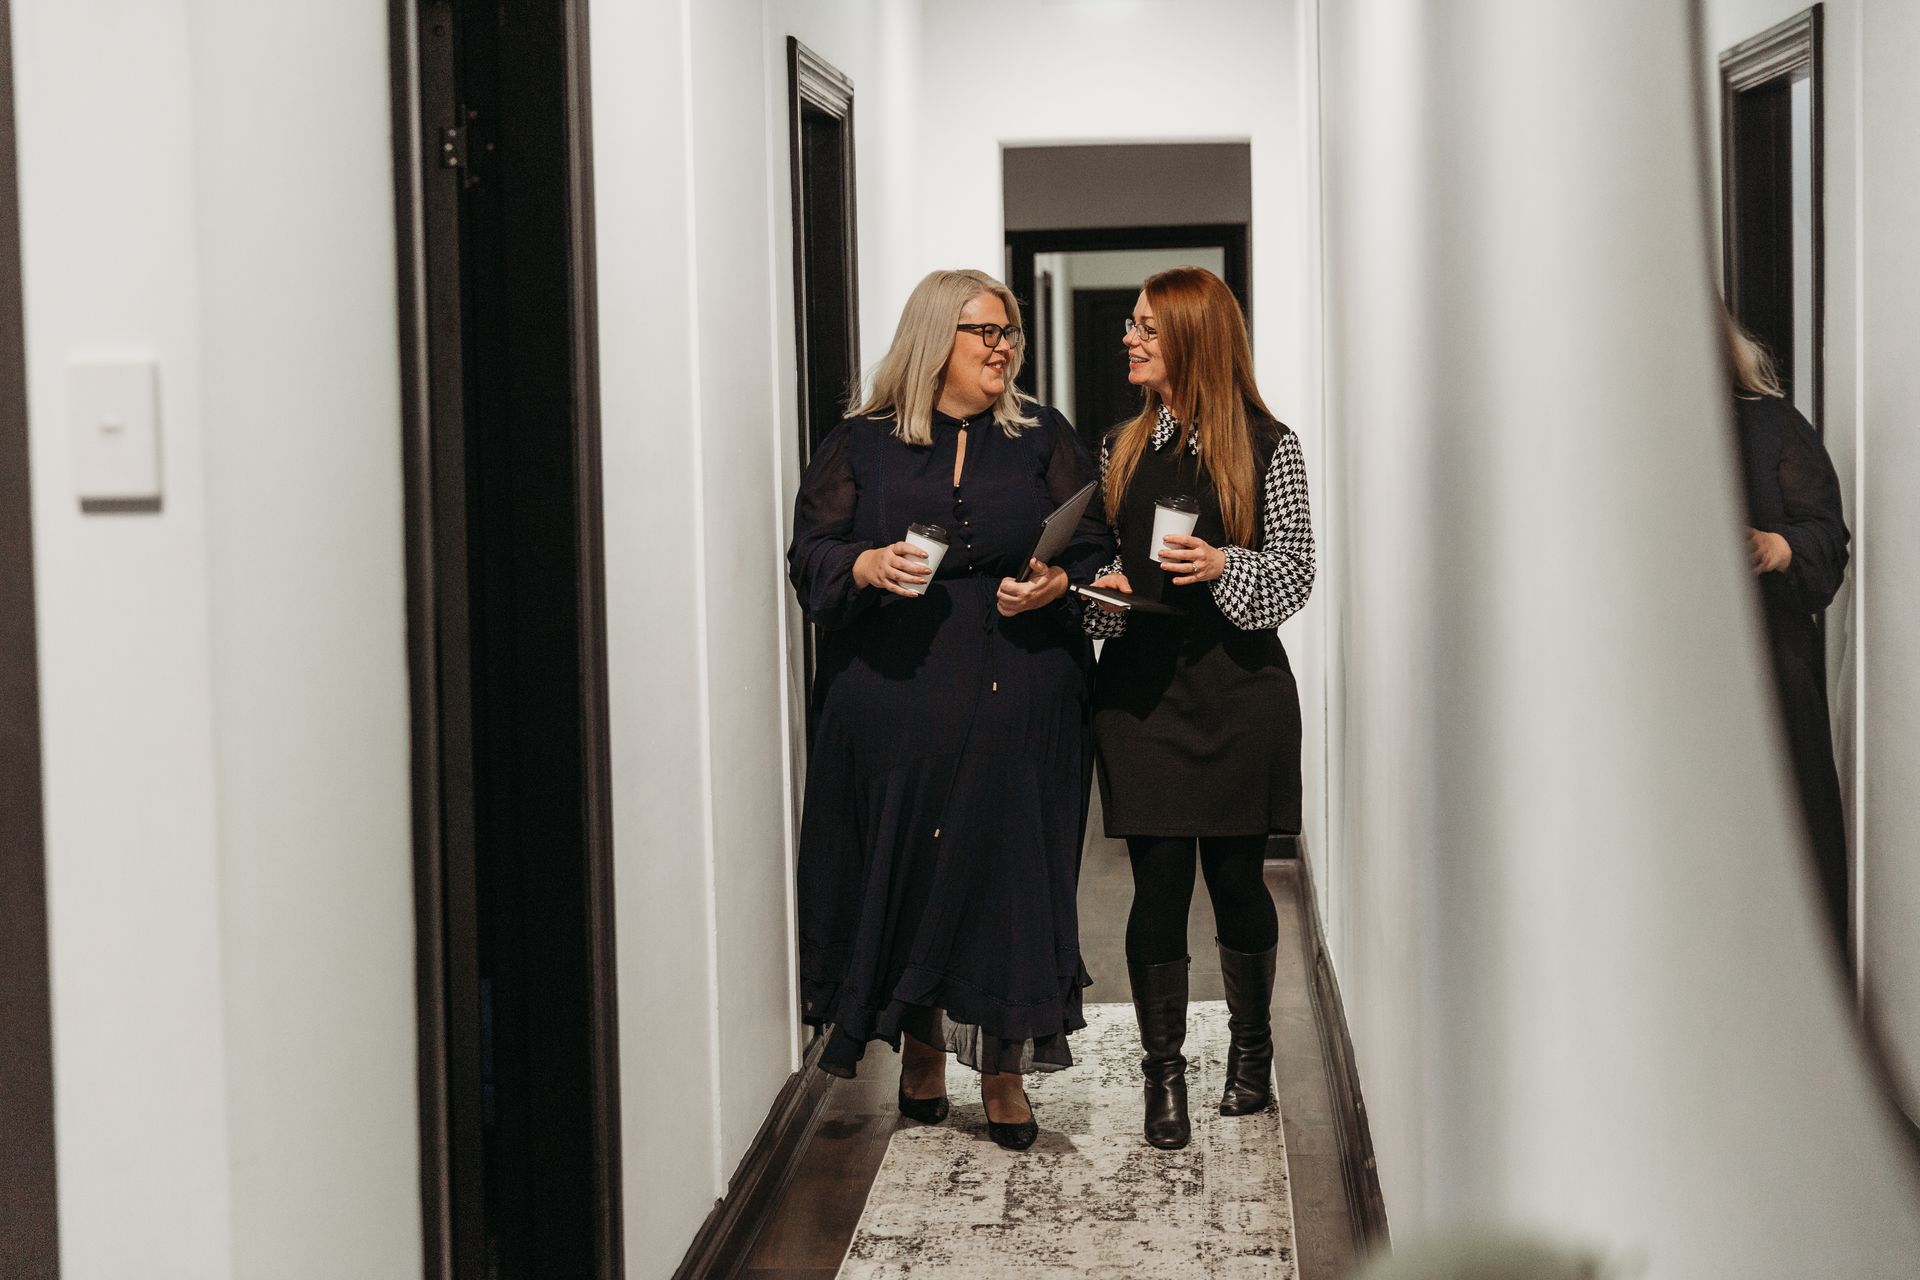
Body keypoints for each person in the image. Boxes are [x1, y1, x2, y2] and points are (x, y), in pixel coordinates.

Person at [786, 268, 1113, 1151]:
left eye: (1009, 331)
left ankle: (1004, 1072)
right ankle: (923, 1048)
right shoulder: (862, 444)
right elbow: (809, 550)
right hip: (896, 689)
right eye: (984, 331)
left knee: (1008, 868)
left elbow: (1093, 546)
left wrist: (1055, 584)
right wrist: (861, 567)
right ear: (937, 338)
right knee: (917, 865)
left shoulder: (1044, 435)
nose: (1003, 346)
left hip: (1025, 687)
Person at [1083, 266, 1315, 1150]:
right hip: (1140, 698)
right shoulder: (1120, 448)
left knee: (1236, 882)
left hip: (1240, 691)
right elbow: (1111, 583)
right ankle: (1163, 1078)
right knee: (1158, 888)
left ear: (1189, 337)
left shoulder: (1271, 445)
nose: (1130, 339)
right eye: (1131, 324)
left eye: (1145, 326)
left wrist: (1226, 567)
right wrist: (1099, 595)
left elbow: (1294, 568)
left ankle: (1250, 1053)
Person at [1726, 311, 1851, 960]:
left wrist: (1776, 547)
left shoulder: (1770, 424)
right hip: (1664, 689)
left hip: (1771, 673)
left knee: (1786, 853)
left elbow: (1828, 541)